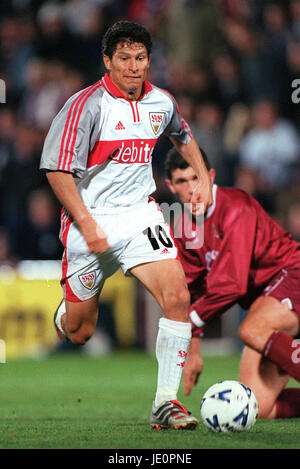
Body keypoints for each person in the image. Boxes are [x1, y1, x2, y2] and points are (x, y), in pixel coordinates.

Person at [40, 20, 213, 430]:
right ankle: (67, 313)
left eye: (140, 58)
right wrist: (86, 223)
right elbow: (56, 171)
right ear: (107, 61)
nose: (133, 66)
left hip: (140, 215)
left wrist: (203, 177)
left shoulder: (162, 102)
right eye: (124, 58)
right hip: (91, 222)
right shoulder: (86, 105)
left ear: (149, 61)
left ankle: (165, 402)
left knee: (176, 295)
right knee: (80, 333)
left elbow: (182, 135)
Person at [165, 147, 300, 419]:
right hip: (265, 304)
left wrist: (188, 323)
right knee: (258, 406)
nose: (192, 189)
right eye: (182, 181)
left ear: (211, 176)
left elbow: (233, 285)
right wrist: (193, 349)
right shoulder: (183, 229)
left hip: (292, 274)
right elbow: (194, 289)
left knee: (251, 328)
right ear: (170, 186)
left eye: (197, 178)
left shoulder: (237, 206)